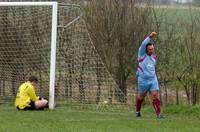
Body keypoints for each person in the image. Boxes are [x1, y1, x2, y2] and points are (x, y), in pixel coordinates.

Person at [135, 32, 163, 118]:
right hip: (143, 80)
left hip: (153, 79)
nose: (151, 50)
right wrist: (150, 36)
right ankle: (137, 111)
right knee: (141, 97)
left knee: (155, 95)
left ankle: (159, 114)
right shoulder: (141, 54)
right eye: (150, 49)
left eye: (152, 49)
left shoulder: (154, 57)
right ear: (146, 49)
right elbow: (143, 44)